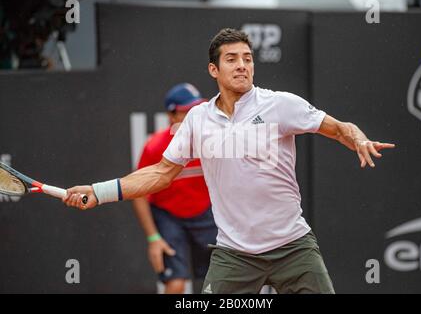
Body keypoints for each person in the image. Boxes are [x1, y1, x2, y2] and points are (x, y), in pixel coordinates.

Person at [63, 28, 395, 294]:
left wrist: (358, 138)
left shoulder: (280, 105)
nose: (242, 66)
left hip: (293, 248)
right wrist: (100, 191)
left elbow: (337, 128)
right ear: (214, 69)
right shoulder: (197, 119)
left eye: (247, 59)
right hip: (235, 256)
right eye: (232, 59)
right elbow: (161, 174)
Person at [132, 83, 217, 294]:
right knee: (176, 284)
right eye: (187, 110)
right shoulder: (154, 147)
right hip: (168, 217)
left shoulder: (213, 141)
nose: (194, 115)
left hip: (206, 214)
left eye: (197, 109)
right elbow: (138, 194)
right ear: (171, 115)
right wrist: (153, 238)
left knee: (217, 285)